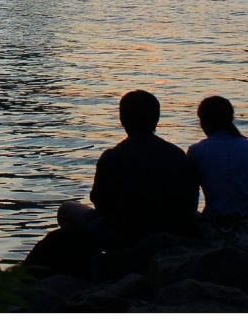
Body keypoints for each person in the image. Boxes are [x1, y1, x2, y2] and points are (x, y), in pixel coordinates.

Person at [56, 89, 199, 250]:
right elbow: (190, 202)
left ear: (122, 119)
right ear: (157, 119)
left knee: (67, 209)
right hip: (172, 234)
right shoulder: (177, 155)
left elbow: (100, 202)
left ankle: (93, 265)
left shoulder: (113, 157)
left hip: (124, 237)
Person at [188, 95, 248, 241]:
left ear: (203, 121)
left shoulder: (196, 151)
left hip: (214, 231)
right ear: (231, 118)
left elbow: (190, 200)